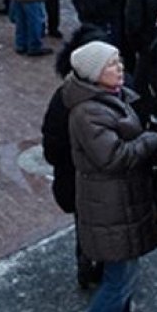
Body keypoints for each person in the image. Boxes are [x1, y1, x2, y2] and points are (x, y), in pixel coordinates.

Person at [61, 41, 157, 312]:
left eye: (119, 61)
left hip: (120, 203)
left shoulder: (111, 96)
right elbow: (113, 157)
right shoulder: (88, 112)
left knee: (122, 280)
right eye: (112, 64)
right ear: (94, 73)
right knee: (119, 283)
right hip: (110, 208)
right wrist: (150, 139)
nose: (121, 68)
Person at [41, 25, 110, 289]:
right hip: (84, 182)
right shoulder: (71, 101)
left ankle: (88, 263)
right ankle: (92, 266)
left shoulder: (64, 96)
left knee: (87, 226)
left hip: (78, 182)